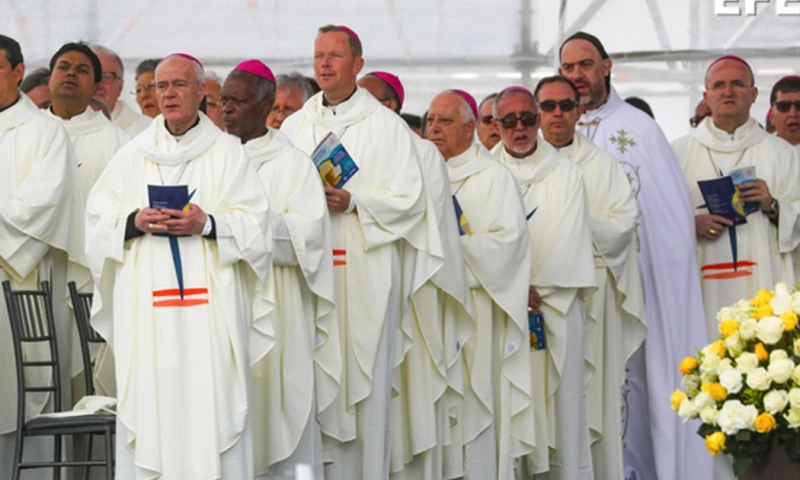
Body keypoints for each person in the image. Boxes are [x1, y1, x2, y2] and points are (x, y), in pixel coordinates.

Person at [86, 52, 271, 480]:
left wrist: (207, 224)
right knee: (155, 410)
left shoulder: (228, 155)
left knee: (212, 406)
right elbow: (96, 222)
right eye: (160, 86)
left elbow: (259, 227)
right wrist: (135, 220)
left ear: (201, 92)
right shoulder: (132, 156)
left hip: (211, 316)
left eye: (179, 85)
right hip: (148, 315)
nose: (168, 94)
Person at [280, 25, 442, 480]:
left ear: (358, 64)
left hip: (367, 269)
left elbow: (411, 200)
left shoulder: (387, 128)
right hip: (311, 267)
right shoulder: (296, 126)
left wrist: (355, 202)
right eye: (318, 56)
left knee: (364, 376)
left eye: (334, 55)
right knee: (312, 370)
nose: (325, 64)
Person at [559, 31, 709, 480]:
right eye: (567, 68)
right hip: (570, 292)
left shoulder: (638, 130)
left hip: (631, 292)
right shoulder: (552, 131)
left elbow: (669, 224)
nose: (576, 76)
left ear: (606, 66)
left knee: (633, 391)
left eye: (584, 65)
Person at [671, 61, 800, 466]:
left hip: (763, 297)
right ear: (706, 95)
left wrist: (774, 204)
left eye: (738, 85)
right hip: (700, 292)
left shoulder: (782, 154)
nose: (728, 92)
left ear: (754, 94)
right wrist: (688, 223)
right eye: (719, 85)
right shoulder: (678, 153)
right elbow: (652, 225)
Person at [221, 59, 337, 480]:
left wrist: (239, 227)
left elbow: (309, 235)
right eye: (223, 101)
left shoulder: (292, 163)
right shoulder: (212, 158)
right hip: (225, 301)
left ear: (267, 105)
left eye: (239, 101)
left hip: (279, 304)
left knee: (278, 408)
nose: (228, 109)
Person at [359, 72, 474, 480]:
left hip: (412, 298)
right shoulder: (356, 147)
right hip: (357, 293)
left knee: (409, 410)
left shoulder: (422, 156)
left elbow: (437, 238)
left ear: (390, 107)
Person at [537, 76, 646, 480]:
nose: (558, 114)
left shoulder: (602, 166)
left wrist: (568, 226)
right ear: (536, 114)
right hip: (532, 299)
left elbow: (621, 227)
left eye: (566, 106)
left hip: (590, 300)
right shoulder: (511, 163)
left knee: (587, 403)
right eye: (548, 107)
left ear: (580, 113)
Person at [426, 88, 535, 480]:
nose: (435, 128)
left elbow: (508, 246)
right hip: (430, 316)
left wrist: (447, 251)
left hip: (477, 319)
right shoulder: (419, 176)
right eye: (430, 120)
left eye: (446, 121)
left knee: (474, 413)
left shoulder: (494, 178)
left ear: (471, 128)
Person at [490, 85, 595, 480]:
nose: (520, 128)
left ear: (537, 120)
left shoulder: (567, 175)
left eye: (528, 119)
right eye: (510, 121)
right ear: (496, 125)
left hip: (555, 310)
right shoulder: (485, 173)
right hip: (501, 310)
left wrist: (527, 288)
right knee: (506, 411)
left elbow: (567, 242)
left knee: (560, 412)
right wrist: (512, 288)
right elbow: (472, 240)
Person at [0, 33, 87, 480]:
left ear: (18, 72)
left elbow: (41, 206)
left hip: (18, 284)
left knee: (19, 402)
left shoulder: (44, 131)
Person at [44, 42, 130, 196]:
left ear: (96, 87)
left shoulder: (118, 142)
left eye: (82, 70)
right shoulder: (28, 131)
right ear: (49, 80)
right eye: (63, 67)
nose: (71, 73)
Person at [92, 45, 150, 136]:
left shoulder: (147, 131)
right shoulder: (64, 127)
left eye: (106, 77)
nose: (99, 84)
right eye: (92, 76)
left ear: (120, 87)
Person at [769, 75, 800, 150]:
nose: (793, 113)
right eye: (784, 106)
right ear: (771, 116)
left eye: (799, 105)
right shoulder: (757, 152)